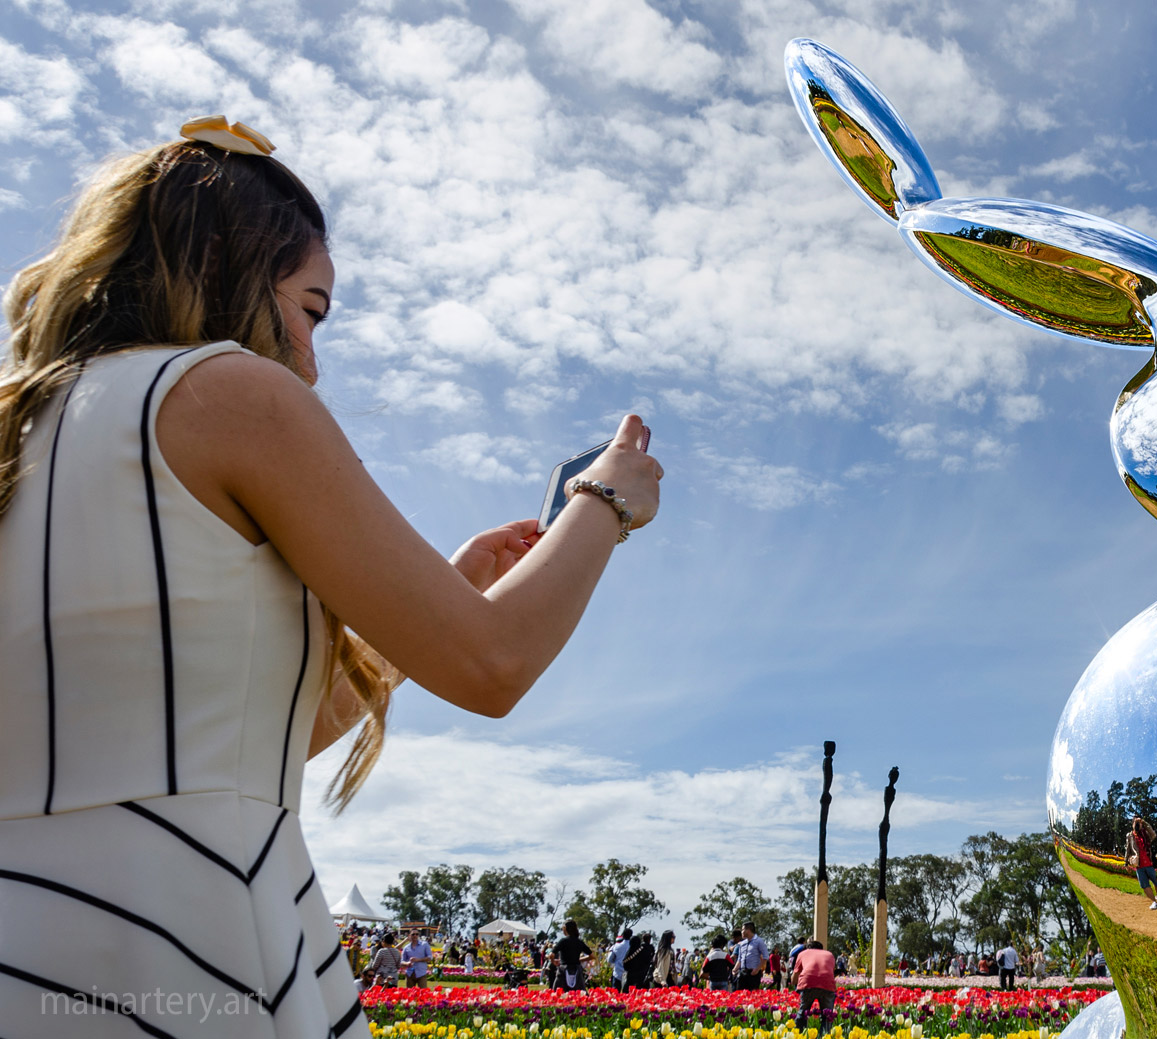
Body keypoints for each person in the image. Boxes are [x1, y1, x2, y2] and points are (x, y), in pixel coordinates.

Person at [0, 120, 664, 1036]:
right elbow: (494, 662)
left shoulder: (24, 423)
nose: (310, 361)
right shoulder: (224, 390)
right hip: (188, 927)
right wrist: (604, 501)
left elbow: (233, 737)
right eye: (310, 310)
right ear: (232, 267)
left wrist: (435, 593)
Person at [794, 939, 839, 1028]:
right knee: (827, 1016)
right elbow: (831, 971)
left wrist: (794, 984)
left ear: (807, 948)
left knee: (802, 1014)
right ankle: (825, 1036)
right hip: (827, 985)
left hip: (808, 983)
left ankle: (799, 1034)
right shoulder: (829, 954)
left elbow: (795, 975)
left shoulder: (803, 953)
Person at [1127, 816, 1157, 909]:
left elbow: (1153, 834)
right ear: (1132, 824)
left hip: (1149, 863)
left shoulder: (1146, 834)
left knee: (1155, 883)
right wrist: (1126, 863)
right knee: (1144, 885)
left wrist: (1144, 823)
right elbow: (1128, 850)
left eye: (1139, 823)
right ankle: (1154, 902)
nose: (1138, 825)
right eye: (1136, 823)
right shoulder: (1130, 836)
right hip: (1139, 866)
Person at [555, 920, 592, 990]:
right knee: (580, 993)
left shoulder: (563, 941)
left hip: (563, 969)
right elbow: (592, 956)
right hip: (576, 969)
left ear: (565, 929)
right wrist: (580, 959)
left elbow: (551, 954)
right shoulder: (579, 942)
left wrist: (552, 960)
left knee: (558, 992)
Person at [734, 921, 770, 991]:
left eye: (743, 929)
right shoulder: (742, 944)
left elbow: (765, 957)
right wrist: (735, 969)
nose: (741, 932)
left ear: (748, 930)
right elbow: (740, 959)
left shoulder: (759, 941)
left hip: (753, 973)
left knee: (752, 996)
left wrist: (757, 969)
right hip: (742, 973)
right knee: (740, 995)